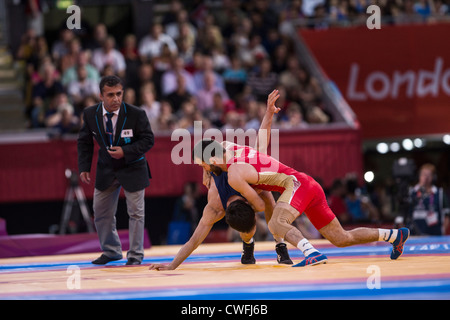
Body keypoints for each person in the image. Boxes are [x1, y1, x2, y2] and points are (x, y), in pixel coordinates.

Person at [190, 139, 410, 267]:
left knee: (277, 223)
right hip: (307, 185)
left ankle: (311, 253)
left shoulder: (235, 174)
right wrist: (207, 170)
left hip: (296, 184)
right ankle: (393, 235)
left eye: (202, 165)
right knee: (342, 238)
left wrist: (246, 197)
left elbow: (259, 205)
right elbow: (218, 148)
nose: (204, 169)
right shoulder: (230, 148)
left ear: (212, 161)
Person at [149, 90, 294, 271]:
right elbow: (194, 240)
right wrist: (171, 265)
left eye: (203, 166)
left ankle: (279, 244)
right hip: (227, 171)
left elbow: (260, 144)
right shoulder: (215, 204)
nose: (202, 169)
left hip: (238, 168)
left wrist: (269, 113)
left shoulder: (242, 169)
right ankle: (248, 243)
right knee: (249, 224)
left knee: (266, 194)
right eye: (202, 166)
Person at [77, 75, 154, 265]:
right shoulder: (90, 114)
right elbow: (84, 142)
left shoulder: (136, 114)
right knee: (101, 212)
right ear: (101, 96)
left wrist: (125, 151)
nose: (116, 99)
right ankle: (111, 251)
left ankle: (135, 255)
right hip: (106, 168)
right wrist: (84, 167)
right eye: (110, 95)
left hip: (133, 166)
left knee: (136, 213)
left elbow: (148, 140)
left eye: (119, 94)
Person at [408, 163, 450, 236]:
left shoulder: (439, 193)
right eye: (424, 174)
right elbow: (405, 213)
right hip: (414, 235)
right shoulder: (411, 192)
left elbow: (447, 214)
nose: (426, 177)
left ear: (434, 177)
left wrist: (442, 230)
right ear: (419, 176)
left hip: (435, 235)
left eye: (429, 175)